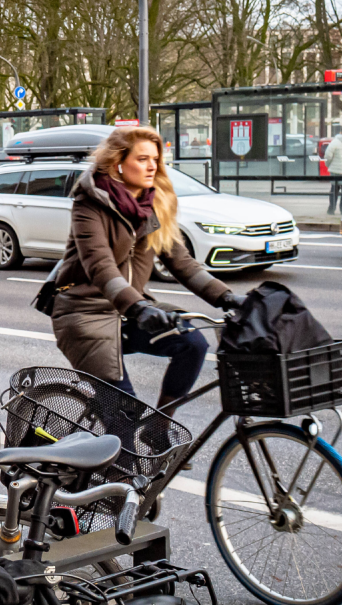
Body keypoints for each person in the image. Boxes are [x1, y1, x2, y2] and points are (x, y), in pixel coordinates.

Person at [50, 126, 247, 417]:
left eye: (155, 159)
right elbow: (100, 265)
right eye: (142, 159)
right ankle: (118, 456)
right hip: (85, 314)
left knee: (192, 344)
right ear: (119, 162)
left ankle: (159, 428)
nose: (152, 165)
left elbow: (183, 263)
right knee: (123, 414)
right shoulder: (89, 203)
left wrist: (227, 298)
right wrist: (139, 307)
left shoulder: (154, 205)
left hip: (130, 311)